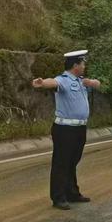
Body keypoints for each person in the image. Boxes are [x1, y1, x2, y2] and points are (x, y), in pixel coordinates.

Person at [32, 50, 101, 211]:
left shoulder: (82, 81)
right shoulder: (63, 80)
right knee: (61, 163)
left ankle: (72, 193)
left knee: (72, 162)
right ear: (75, 65)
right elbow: (52, 82)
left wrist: (91, 83)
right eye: (83, 63)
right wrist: (42, 83)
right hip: (65, 129)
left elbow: (98, 84)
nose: (84, 66)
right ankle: (58, 197)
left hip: (79, 128)